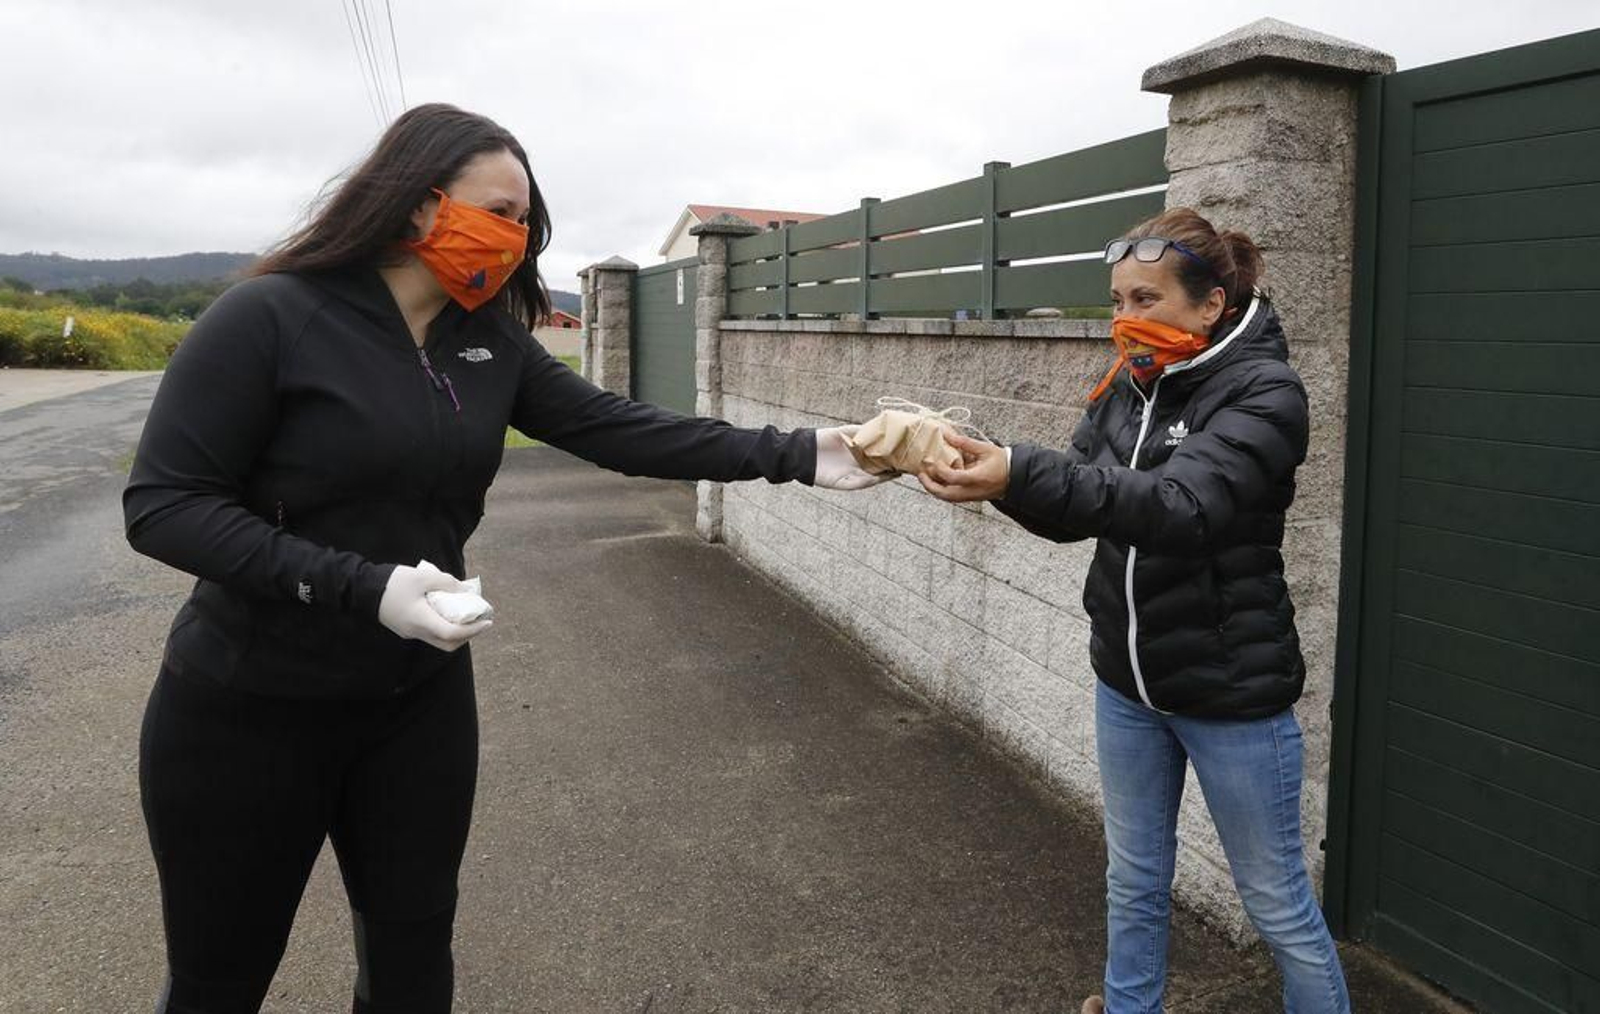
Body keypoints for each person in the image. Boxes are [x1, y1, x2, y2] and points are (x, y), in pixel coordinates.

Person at [123, 102, 884, 1014]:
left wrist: (805, 452)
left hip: (416, 704)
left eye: (526, 223)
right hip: (247, 710)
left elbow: (618, 427)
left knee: (412, 964)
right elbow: (164, 506)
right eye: (500, 212)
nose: (516, 240)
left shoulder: (485, 340)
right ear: (417, 204)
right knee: (219, 980)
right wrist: (364, 588)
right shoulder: (269, 318)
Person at [917, 208, 1350, 1014]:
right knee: (1135, 878)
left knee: (1277, 905)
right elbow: (1077, 502)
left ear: (1211, 304)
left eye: (1145, 299)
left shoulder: (1267, 391)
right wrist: (996, 476)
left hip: (1231, 694)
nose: (1125, 319)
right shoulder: (1129, 382)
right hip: (1128, 685)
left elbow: (1183, 506)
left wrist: (1022, 471)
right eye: (1117, 300)